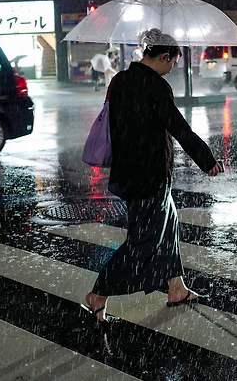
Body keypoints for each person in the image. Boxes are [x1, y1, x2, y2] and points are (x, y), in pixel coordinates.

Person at [83, 29, 224, 322]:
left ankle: (176, 288)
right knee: (142, 242)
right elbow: (179, 128)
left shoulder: (120, 80)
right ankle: (98, 294)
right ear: (163, 57)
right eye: (173, 62)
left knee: (169, 225)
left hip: (130, 173)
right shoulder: (156, 87)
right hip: (149, 176)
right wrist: (207, 160)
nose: (173, 68)